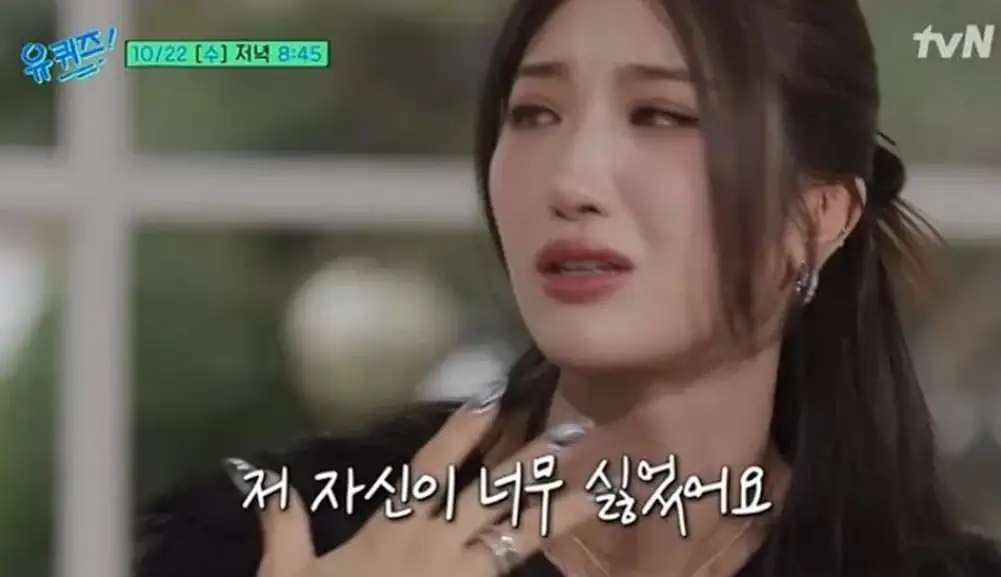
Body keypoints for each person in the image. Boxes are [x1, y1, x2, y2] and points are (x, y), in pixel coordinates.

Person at [136, 0, 1001, 575]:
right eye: (534, 114)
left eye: (662, 115)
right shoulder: (277, 539)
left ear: (815, 217)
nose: (572, 179)